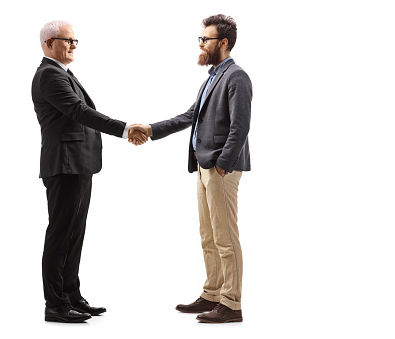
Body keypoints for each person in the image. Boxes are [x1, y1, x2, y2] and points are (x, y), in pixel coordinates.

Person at [130, 14, 252, 323]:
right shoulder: (211, 77)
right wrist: (151, 128)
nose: (200, 44)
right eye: (200, 39)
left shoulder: (237, 77)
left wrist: (223, 165)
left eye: (205, 39)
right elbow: (190, 116)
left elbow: (240, 127)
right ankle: (212, 293)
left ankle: (232, 303)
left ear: (222, 43)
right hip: (202, 167)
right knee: (208, 235)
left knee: (225, 238)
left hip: (221, 169)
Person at [31, 20, 147, 323]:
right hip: (65, 165)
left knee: (74, 235)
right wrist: (124, 129)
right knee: (60, 235)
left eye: (74, 40)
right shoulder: (49, 75)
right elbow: (79, 112)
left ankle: (71, 295)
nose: (72, 45)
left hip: (79, 164)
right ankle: (55, 305)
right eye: (66, 40)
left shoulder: (62, 73)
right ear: (47, 44)